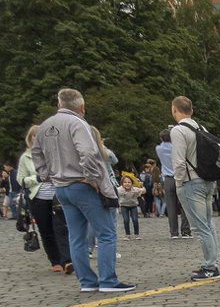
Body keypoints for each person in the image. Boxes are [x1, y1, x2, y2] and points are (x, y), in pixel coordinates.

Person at [31, 88, 134, 292]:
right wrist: (92, 178)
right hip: (82, 184)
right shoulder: (78, 123)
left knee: (76, 235)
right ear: (82, 107)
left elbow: (36, 153)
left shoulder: (45, 126)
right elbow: (88, 152)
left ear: (59, 105)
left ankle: (86, 281)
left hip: (61, 187)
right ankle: (108, 280)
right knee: (106, 233)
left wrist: (49, 174)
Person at [170, 95, 220, 281]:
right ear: (191, 111)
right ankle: (212, 263)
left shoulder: (178, 131)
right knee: (208, 224)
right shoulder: (200, 128)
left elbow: (178, 161)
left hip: (191, 183)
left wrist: (179, 183)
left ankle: (210, 267)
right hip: (207, 180)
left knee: (200, 227)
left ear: (174, 109)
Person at [17, 124, 72, 273]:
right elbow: (20, 179)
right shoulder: (26, 157)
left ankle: (67, 260)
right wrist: (37, 178)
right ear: (30, 138)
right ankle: (55, 261)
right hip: (38, 198)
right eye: (35, 135)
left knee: (61, 228)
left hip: (57, 196)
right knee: (46, 230)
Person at [156, 128, 191, 239]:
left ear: (161, 138)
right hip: (181, 177)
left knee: (171, 207)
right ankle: (186, 231)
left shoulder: (158, 149)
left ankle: (174, 232)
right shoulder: (177, 148)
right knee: (185, 206)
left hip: (168, 179)